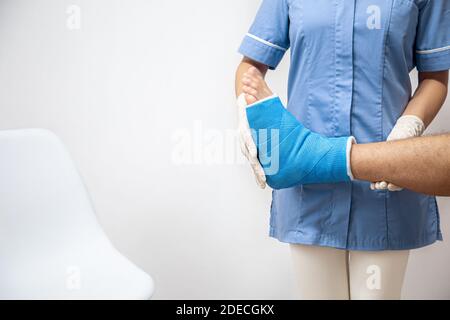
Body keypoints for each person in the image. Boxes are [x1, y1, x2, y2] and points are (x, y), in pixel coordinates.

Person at [235, 0, 450, 299]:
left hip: (386, 179)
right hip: (308, 182)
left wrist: (410, 126)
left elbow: (436, 77)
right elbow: (251, 67)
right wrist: (250, 118)